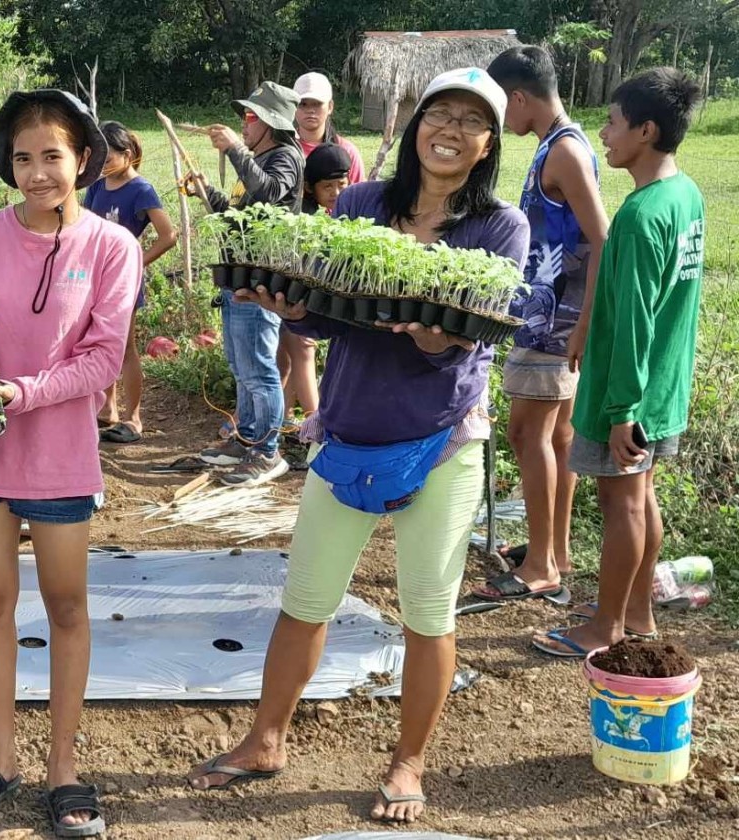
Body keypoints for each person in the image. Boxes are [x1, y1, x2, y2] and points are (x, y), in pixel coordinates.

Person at [186, 68, 528, 823]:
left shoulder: (499, 226)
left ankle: (408, 762)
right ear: (416, 126)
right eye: (439, 112)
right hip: (348, 429)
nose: (450, 129)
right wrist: (289, 308)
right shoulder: (367, 203)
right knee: (305, 599)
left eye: (471, 121)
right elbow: (333, 318)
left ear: (488, 146)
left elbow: (470, 345)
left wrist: (437, 337)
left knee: (428, 611)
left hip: (441, 441)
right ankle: (264, 741)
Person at [0, 90, 141, 837]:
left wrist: (16, 392)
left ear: (82, 159)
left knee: (65, 609)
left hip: (60, 460)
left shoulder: (111, 247)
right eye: (23, 158)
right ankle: (1, 757)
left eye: (52, 156)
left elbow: (101, 361)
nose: (37, 172)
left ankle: (62, 766)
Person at [533, 68, 705, 657]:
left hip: (629, 390)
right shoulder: (686, 195)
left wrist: (621, 409)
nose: (603, 135)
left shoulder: (640, 216)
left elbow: (635, 320)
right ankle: (637, 611)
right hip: (666, 383)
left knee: (622, 501)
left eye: (612, 123)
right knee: (643, 495)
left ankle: (603, 628)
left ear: (646, 130)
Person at [473, 45, 610, 601]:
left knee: (529, 435)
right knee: (554, 437)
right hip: (551, 318)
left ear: (520, 97)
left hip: (554, 323)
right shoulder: (558, 144)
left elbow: (602, 239)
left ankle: (542, 566)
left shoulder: (565, 153)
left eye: (500, 105)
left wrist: (582, 326)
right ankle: (553, 549)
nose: (500, 119)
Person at [195, 81, 304, 486]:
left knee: (258, 368)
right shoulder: (259, 158)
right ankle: (246, 438)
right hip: (239, 275)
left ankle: (267, 452)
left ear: (272, 124)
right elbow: (240, 209)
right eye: (245, 115)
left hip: (262, 281)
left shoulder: (285, 157)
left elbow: (271, 192)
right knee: (241, 366)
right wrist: (207, 192)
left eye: (253, 116)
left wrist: (235, 151)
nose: (245, 122)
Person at [85, 120, 178, 445]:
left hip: (123, 281)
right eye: (99, 160)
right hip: (96, 278)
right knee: (100, 344)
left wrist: (135, 261)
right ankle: (108, 408)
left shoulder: (141, 190)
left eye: (108, 159)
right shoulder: (97, 186)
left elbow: (168, 236)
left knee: (125, 349)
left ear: (128, 155)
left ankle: (133, 417)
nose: (103, 165)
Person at [279, 142, 353, 431]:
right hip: (294, 297)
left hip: (290, 295)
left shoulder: (316, 212)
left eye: (342, 184)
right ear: (310, 188)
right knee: (304, 352)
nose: (336, 193)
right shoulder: (306, 218)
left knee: (287, 356)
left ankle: (284, 418)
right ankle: (317, 427)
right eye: (328, 187)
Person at [292, 71, 366, 181]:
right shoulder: (282, 149)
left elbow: (358, 196)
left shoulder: (347, 152)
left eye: (317, 104)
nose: (310, 110)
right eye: (303, 104)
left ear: (330, 107)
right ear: (293, 106)